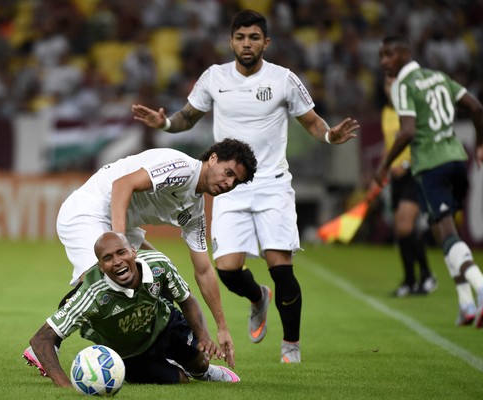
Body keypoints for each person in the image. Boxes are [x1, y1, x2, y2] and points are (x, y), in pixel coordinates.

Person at [131, 9, 360, 363]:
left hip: (272, 185)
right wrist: (164, 122)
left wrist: (330, 135)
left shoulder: (284, 79)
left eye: (254, 37)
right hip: (229, 187)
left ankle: (291, 347)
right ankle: (257, 298)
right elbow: (186, 118)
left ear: (266, 42)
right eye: (241, 37)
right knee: (226, 269)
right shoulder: (214, 77)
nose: (247, 43)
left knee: (279, 264)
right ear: (231, 41)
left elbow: (312, 122)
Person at [39, 138, 257, 368]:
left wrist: (222, 327)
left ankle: (171, 347)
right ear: (213, 159)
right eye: (228, 172)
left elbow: (203, 270)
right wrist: (120, 244)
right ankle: (48, 341)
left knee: (159, 270)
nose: (229, 183)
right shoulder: (182, 168)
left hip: (123, 223)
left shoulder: (195, 212)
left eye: (236, 181)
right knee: (105, 280)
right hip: (89, 210)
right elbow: (122, 185)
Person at [375, 35, 483, 328]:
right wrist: (481, 144)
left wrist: (384, 165)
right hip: (458, 161)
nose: (383, 62)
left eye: (389, 55)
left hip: (431, 165)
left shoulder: (404, 85)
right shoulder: (439, 76)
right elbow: (478, 109)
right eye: (381, 56)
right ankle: (466, 303)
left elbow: (406, 132)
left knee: (445, 231)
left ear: (406, 53)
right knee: (445, 231)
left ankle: (480, 284)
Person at [23, 231, 240, 385]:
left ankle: (204, 372)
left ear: (133, 251)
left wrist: (203, 336)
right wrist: (66, 386)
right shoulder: (91, 292)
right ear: (100, 266)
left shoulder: (159, 264)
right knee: (181, 379)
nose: (117, 261)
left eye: (121, 252)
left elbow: (186, 299)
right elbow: (41, 339)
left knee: (200, 364)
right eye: (107, 258)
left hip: (164, 325)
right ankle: (170, 365)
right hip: (129, 353)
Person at [379, 76, 437, 297]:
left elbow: (423, 143)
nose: (390, 88)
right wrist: (383, 167)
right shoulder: (387, 112)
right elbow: (389, 145)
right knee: (401, 229)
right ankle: (410, 280)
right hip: (396, 178)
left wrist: (404, 163)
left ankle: (426, 274)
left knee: (405, 226)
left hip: (414, 173)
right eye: (387, 84)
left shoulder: (412, 111)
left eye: (394, 84)